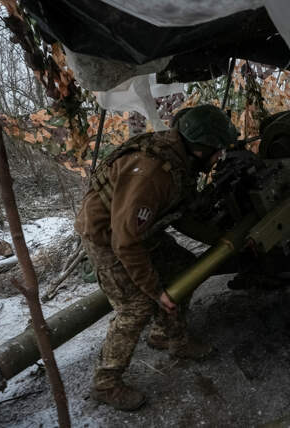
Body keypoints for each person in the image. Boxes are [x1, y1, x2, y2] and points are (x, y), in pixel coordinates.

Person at [74, 104, 238, 411]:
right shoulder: (152, 173)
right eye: (217, 150)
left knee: (186, 268)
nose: (220, 157)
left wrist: (223, 239)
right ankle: (105, 383)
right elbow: (124, 242)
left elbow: (179, 213)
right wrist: (155, 290)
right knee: (136, 306)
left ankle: (168, 336)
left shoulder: (177, 158)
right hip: (107, 237)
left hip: (135, 231)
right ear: (199, 149)